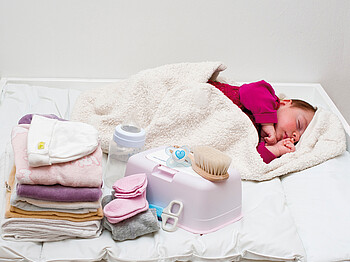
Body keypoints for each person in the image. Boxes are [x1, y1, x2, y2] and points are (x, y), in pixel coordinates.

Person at [208, 80, 316, 164]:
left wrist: (276, 149)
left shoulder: (263, 141)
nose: (295, 136)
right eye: (299, 124)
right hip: (209, 99)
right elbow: (249, 91)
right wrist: (267, 123)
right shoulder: (269, 99)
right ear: (285, 103)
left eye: (298, 139)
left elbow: (249, 159)